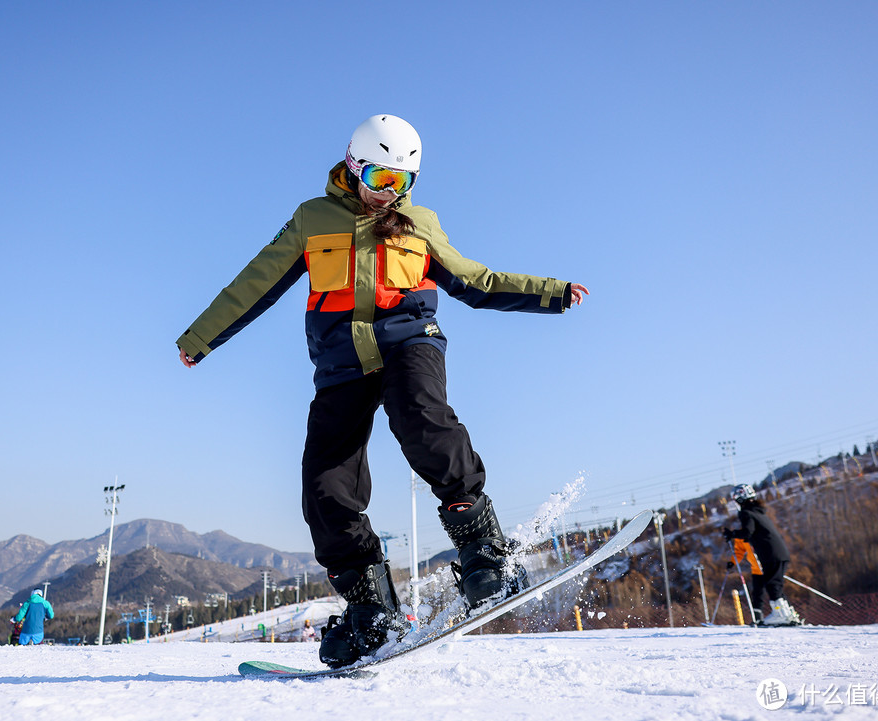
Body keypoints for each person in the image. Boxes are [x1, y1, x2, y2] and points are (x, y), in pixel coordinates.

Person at [176, 114, 588, 668]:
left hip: (409, 342)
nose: (386, 195)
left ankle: (483, 547)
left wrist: (551, 293)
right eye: (378, 178)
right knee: (324, 483)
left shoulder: (419, 223)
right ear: (352, 165)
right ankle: (373, 608)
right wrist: (200, 339)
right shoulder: (311, 220)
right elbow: (255, 283)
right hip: (342, 365)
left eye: (400, 183)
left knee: (421, 417)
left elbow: (476, 281)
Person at [723, 485, 801, 626]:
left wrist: (733, 534)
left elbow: (748, 532)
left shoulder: (746, 513)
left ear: (740, 499)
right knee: (776, 583)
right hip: (780, 552)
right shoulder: (759, 512)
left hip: (769, 553)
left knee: (772, 584)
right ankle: (787, 613)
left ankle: (779, 614)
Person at [728, 537, 764, 624]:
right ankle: (758, 619)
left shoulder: (759, 530)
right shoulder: (741, 535)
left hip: (768, 567)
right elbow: (739, 551)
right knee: (757, 594)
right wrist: (733, 562)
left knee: (775, 591)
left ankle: (786, 614)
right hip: (756, 569)